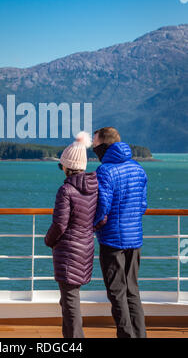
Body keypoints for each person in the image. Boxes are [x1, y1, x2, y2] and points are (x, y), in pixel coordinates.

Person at [92, 126, 148, 338]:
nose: (93, 150)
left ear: (105, 146)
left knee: (117, 292)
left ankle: (126, 336)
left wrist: (94, 226)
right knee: (132, 290)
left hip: (112, 241)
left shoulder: (105, 171)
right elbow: (142, 205)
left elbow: (101, 208)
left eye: (95, 146)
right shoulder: (138, 168)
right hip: (135, 239)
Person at [44, 132, 98, 338]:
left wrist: (48, 241)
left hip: (68, 251)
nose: (62, 169)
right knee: (69, 299)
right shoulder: (94, 188)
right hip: (86, 248)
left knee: (70, 302)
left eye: (61, 166)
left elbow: (59, 224)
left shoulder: (65, 190)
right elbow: (99, 219)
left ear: (67, 167)